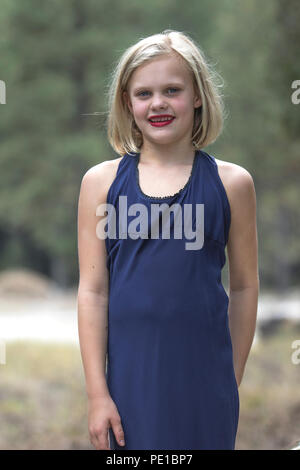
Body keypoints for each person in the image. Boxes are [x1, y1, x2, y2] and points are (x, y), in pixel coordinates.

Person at [77, 29, 259, 450]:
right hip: (129, 386)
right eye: (144, 93)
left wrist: (229, 378)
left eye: (172, 90)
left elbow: (246, 285)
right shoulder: (101, 184)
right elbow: (93, 291)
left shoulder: (232, 184)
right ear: (127, 102)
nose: (157, 103)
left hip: (205, 385)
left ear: (197, 95)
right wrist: (97, 394)